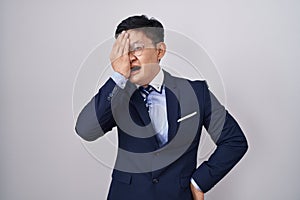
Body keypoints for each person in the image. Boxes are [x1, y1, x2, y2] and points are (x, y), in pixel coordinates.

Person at [75, 15, 248, 200]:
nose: (129, 58)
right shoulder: (118, 95)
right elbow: (85, 130)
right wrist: (118, 76)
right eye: (123, 51)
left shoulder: (196, 93)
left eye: (137, 48)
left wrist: (199, 182)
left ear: (160, 51)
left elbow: (234, 141)